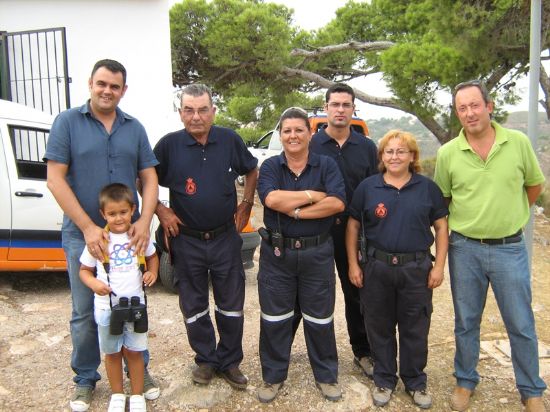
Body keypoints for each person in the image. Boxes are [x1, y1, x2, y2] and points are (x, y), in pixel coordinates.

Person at [45, 59, 160, 412]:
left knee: (132, 302)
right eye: (102, 84)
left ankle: (138, 372)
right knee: (86, 310)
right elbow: (55, 178)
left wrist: (145, 220)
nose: (107, 90)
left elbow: (150, 178)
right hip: (84, 234)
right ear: (90, 84)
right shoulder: (67, 123)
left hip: (130, 234)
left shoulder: (134, 127)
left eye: (115, 86)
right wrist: (89, 227)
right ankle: (84, 378)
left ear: (123, 90)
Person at [434, 80, 547, 412]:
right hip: (464, 249)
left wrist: (511, 217)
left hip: (510, 249)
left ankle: (531, 390)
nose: (469, 113)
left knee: (521, 323)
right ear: (458, 114)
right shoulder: (447, 153)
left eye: (474, 105)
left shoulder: (519, 143)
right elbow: (443, 200)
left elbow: (534, 185)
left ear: (489, 106)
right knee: (466, 320)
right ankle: (465, 381)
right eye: (462, 108)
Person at [153, 84, 257, 390]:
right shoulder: (168, 145)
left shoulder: (229, 140)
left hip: (225, 238)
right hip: (187, 241)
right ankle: (206, 360)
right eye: (189, 110)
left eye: (202, 110)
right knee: (194, 304)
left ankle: (230, 361)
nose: (196, 116)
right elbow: (142, 177)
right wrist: (161, 210)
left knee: (231, 303)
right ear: (181, 112)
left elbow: (252, 169)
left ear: (213, 111)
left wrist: (247, 203)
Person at [346, 130, 448, 409]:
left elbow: (441, 227)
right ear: (381, 156)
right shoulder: (368, 188)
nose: (394, 156)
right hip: (376, 268)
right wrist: (354, 264)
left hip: (415, 269)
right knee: (378, 326)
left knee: (415, 327)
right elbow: (353, 226)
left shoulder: (427, 188)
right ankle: (384, 379)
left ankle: (415, 381)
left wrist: (438, 266)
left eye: (401, 151)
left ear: (412, 156)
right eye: (389, 152)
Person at [256, 107, 346, 403]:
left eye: (298, 130)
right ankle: (272, 376)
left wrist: (294, 211)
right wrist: (312, 196)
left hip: (317, 254)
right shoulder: (270, 168)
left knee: (320, 318)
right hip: (277, 256)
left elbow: (336, 204)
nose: (292, 136)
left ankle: (326, 377)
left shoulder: (327, 165)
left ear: (310, 133)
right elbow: (271, 198)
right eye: (287, 131)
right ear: (280, 136)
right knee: (274, 318)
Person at [309, 83, 378, 377]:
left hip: (356, 234)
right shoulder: (310, 144)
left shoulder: (366, 147)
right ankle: (295, 357)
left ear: (353, 109)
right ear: (326, 108)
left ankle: (363, 353)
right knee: (310, 297)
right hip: (318, 231)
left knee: (357, 294)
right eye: (334, 104)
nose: (340, 110)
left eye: (345, 105)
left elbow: (376, 189)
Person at [79, 183, 159, 412]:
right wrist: (94, 284)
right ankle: (116, 394)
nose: (118, 218)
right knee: (112, 353)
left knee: (134, 352)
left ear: (132, 209)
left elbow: (153, 257)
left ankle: (136, 395)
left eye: (123, 212)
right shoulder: (98, 240)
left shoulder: (139, 236)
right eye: (112, 214)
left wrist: (152, 272)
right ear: (103, 214)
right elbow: (84, 270)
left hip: (136, 307)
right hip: (107, 307)